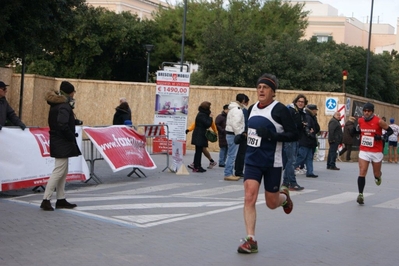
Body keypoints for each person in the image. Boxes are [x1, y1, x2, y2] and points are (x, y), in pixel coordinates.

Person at [237, 73, 298, 254]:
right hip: (253, 160)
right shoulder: (252, 108)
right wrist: (243, 136)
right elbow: (252, 131)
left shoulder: (280, 110)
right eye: (259, 87)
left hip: (272, 161)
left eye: (265, 87)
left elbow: (294, 135)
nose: (261, 90)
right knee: (249, 197)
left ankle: (284, 197)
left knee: (272, 203)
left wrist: (272, 136)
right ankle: (251, 240)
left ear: (272, 91)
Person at [40, 81, 81, 211]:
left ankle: (61, 198)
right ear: (70, 92)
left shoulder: (56, 105)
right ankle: (46, 199)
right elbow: (62, 124)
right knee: (58, 171)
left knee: (63, 171)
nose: (74, 94)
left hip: (58, 140)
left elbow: (60, 122)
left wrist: (73, 122)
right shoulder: (64, 106)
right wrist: (70, 135)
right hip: (62, 142)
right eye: (73, 92)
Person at [353, 102, 392, 205]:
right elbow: (358, 131)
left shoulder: (379, 121)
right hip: (364, 150)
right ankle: (360, 194)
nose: (366, 113)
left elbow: (390, 131)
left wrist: (381, 137)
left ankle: (378, 176)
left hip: (376, 151)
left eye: (368, 111)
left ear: (372, 112)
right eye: (365, 111)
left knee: (376, 173)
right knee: (362, 171)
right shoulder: (360, 120)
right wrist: (354, 130)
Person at [282, 94, 307, 190]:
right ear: (296, 102)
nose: (301, 103)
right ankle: (290, 182)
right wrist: (301, 124)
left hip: (296, 138)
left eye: (302, 102)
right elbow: (290, 124)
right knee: (291, 161)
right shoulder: (292, 111)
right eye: (299, 101)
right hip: (290, 139)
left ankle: (287, 182)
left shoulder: (301, 112)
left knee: (291, 161)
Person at [224, 94, 246, 181]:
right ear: (243, 100)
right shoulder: (237, 110)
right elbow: (235, 123)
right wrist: (238, 134)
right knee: (232, 155)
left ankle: (228, 172)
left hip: (230, 133)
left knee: (230, 154)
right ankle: (228, 173)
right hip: (233, 134)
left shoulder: (232, 109)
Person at [295, 104, 320, 178]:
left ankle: (310, 172)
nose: (316, 111)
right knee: (302, 156)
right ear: (313, 110)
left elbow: (316, 128)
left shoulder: (311, 116)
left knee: (309, 157)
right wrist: (310, 133)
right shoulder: (308, 117)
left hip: (309, 140)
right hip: (306, 140)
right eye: (315, 109)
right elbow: (307, 128)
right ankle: (290, 168)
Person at [190, 101, 213, 173]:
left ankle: (197, 165)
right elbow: (207, 124)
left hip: (198, 134)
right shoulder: (202, 115)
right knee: (198, 151)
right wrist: (210, 118)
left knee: (198, 151)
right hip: (200, 135)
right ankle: (197, 167)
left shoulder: (201, 114)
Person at [235, 94, 250, 178]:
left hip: (235, 132)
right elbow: (246, 122)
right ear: (245, 101)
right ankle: (239, 170)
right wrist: (246, 131)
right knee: (242, 153)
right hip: (242, 133)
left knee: (236, 153)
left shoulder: (233, 108)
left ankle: (237, 168)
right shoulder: (244, 110)